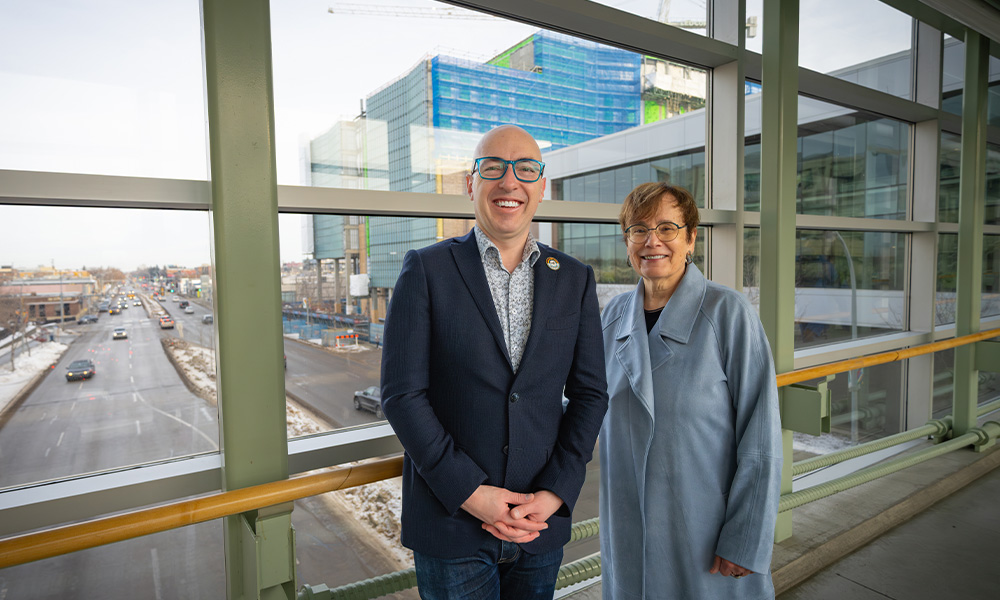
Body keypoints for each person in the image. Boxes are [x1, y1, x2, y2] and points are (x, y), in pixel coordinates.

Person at [380, 124, 609, 599]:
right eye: (493, 168)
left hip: (538, 524)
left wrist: (553, 494)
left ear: (541, 186)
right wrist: (472, 495)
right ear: (471, 183)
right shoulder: (425, 269)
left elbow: (591, 394)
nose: (510, 182)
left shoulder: (574, 278)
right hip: (452, 523)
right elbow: (402, 396)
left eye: (526, 169)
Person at [599, 182, 783, 599]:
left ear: (691, 238)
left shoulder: (728, 312)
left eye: (667, 228)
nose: (652, 241)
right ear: (627, 241)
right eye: (638, 229)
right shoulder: (611, 318)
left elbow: (761, 436)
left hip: (704, 530)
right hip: (627, 528)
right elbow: (583, 407)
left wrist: (745, 537)